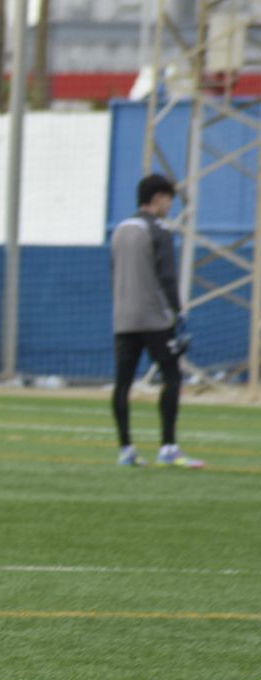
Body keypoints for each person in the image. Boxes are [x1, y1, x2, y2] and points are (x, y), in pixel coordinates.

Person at [110, 173, 204, 469]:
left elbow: (114, 273)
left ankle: (126, 449)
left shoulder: (119, 230)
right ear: (158, 198)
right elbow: (166, 276)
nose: (169, 207)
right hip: (154, 318)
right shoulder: (159, 230)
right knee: (172, 377)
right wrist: (178, 311)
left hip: (123, 318)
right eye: (168, 201)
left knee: (123, 383)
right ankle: (168, 447)